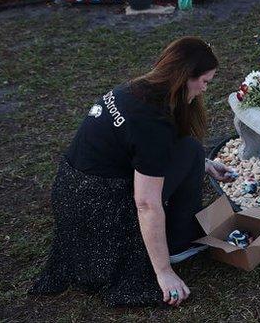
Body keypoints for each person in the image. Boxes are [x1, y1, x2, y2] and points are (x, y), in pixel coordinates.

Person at [31, 37, 234, 307]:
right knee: (191, 153)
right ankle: (176, 244)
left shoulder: (137, 89)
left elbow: (145, 148)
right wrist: (163, 273)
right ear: (186, 77)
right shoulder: (152, 123)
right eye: (205, 82)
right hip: (98, 207)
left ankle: (181, 228)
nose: (205, 90)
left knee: (192, 152)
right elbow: (146, 204)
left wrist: (204, 166)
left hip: (71, 190)